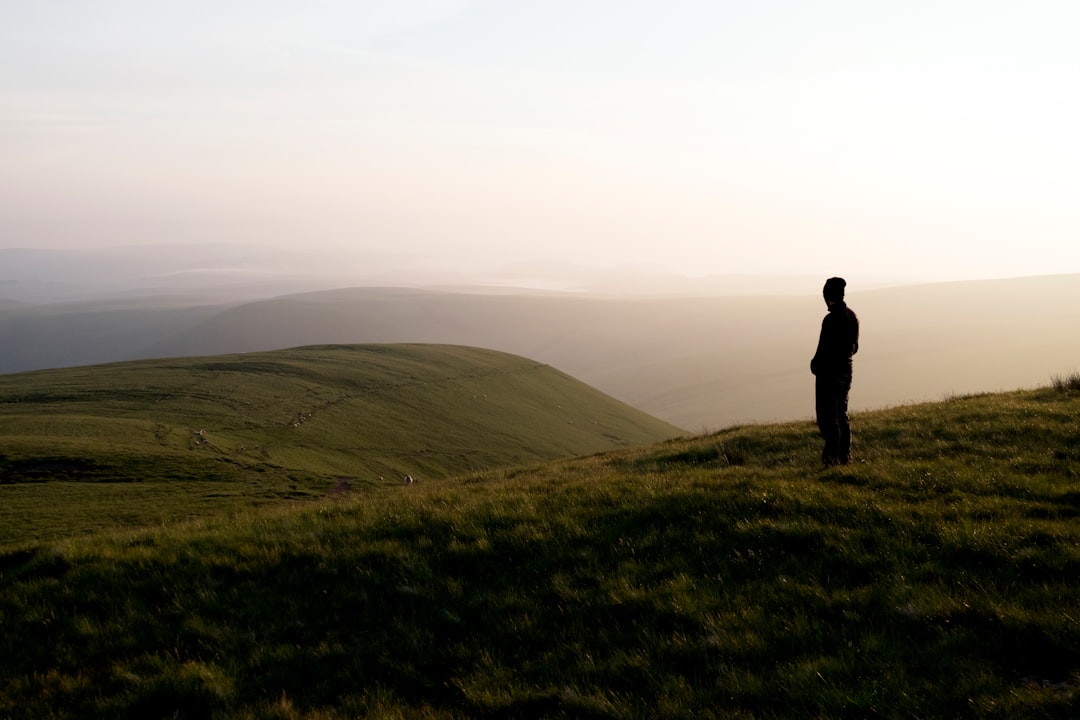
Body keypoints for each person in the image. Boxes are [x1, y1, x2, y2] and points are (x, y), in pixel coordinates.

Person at [810, 277, 860, 466]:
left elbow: (823, 350)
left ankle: (831, 458)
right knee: (841, 414)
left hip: (828, 375)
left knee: (827, 417)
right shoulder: (852, 316)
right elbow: (855, 348)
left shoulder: (830, 320)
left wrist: (814, 365)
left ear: (826, 296)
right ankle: (844, 455)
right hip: (846, 372)